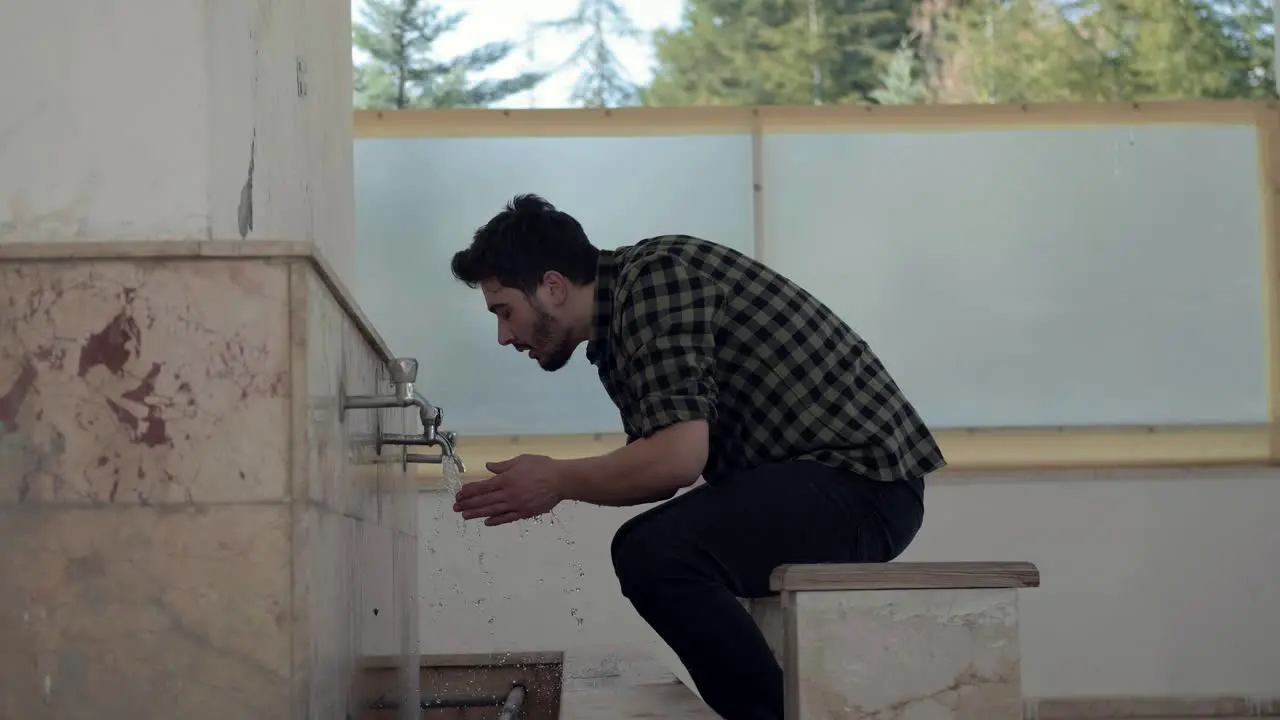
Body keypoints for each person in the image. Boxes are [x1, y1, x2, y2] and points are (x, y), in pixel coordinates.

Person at [449, 194, 944, 720]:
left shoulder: (655, 280)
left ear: (552, 286)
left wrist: (557, 479)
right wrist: (559, 481)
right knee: (652, 549)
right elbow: (663, 471)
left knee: (656, 553)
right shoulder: (619, 328)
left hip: (864, 485)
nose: (504, 336)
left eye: (505, 312)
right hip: (827, 483)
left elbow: (677, 460)